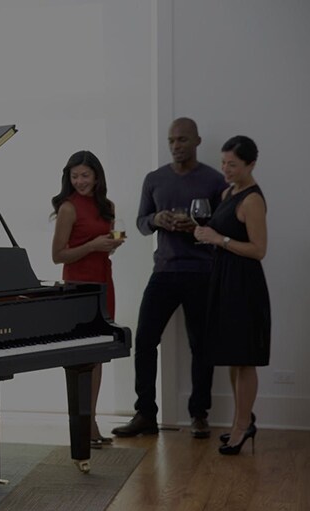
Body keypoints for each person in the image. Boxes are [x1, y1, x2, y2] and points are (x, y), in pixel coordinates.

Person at [112, 117, 227, 439]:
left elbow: (224, 225)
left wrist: (197, 227)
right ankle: (145, 414)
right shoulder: (154, 179)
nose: (176, 146)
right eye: (171, 140)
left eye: (182, 140)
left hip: (202, 272)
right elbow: (141, 222)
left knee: (202, 346)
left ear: (197, 141)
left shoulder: (214, 180)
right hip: (164, 271)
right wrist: (156, 218)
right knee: (144, 341)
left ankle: (199, 415)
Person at [194, 135, 269, 455]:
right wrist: (204, 233)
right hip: (224, 280)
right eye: (223, 162)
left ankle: (242, 426)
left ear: (251, 165)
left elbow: (259, 250)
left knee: (245, 359)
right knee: (232, 355)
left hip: (245, 285)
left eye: (233, 164)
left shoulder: (252, 200)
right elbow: (218, 233)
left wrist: (218, 239)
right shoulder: (228, 193)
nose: (225, 169)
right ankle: (242, 421)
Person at [50, 150, 124, 447]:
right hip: (78, 288)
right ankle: (84, 425)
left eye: (85, 175)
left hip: (104, 283)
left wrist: (112, 243)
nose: (80, 181)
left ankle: (91, 420)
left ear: (96, 177)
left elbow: (106, 245)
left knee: (98, 356)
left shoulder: (107, 206)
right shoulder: (68, 208)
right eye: (74, 176)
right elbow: (58, 255)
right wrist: (93, 245)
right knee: (82, 358)